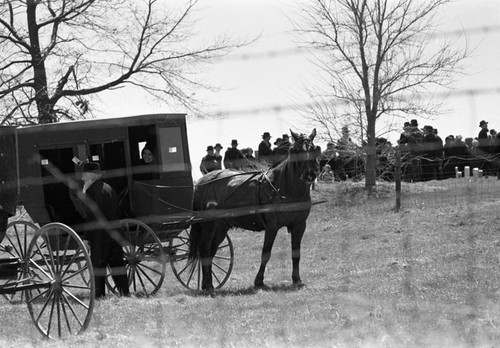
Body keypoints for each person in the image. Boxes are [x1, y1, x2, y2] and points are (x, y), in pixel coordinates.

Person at [80, 162, 129, 299]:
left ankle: (99, 296)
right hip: (114, 232)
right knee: (117, 264)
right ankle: (124, 293)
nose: (82, 179)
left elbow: (90, 216)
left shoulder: (91, 191)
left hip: (99, 235)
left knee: (98, 266)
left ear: (90, 176)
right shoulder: (110, 188)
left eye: (84, 175)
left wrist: (87, 238)